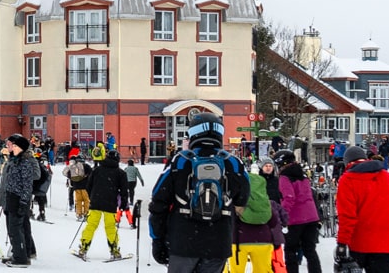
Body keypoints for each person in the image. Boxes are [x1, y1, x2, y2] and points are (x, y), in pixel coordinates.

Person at [150, 112, 251, 273]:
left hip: (182, 241)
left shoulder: (180, 161)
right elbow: (243, 198)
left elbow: (158, 202)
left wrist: (157, 239)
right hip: (218, 242)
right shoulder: (233, 163)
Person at [335, 145, 389, 273]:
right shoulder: (388, 177)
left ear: (347, 162)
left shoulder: (347, 180)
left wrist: (342, 243)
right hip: (385, 245)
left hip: (358, 243)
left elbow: (347, 216)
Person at [79, 149, 130, 260]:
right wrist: (123, 204)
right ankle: (114, 249)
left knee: (91, 225)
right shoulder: (121, 173)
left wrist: (92, 196)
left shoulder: (97, 170)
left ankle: (84, 247)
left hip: (96, 202)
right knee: (110, 227)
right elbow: (124, 191)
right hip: (110, 204)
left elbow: (88, 185)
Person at [230, 168, 284, 273]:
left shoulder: (236, 201)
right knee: (263, 271)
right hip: (264, 241)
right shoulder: (265, 202)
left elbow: (229, 221)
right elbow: (273, 222)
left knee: (236, 271)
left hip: (239, 242)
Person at [0, 134, 40, 267]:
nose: (10, 147)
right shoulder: (13, 160)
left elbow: (28, 183)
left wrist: (23, 201)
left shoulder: (25, 161)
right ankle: (18, 253)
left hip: (18, 198)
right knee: (13, 228)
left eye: (14, 145)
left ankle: (22, 255)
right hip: (10, 197)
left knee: (18, 228)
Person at [276, 151, 321, 273]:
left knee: (290, 250)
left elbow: (289, 197)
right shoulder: (303, 175)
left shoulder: (284, 177)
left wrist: (282, 216)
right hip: (311, 217)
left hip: (295, 219)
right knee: (310, 250)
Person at [68, 155, 93, 221]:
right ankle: (86, 214)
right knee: (86, 201)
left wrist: (72, 183)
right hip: (85, 187)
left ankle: (79, 214)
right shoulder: (87, 166)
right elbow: (91, 175)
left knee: (78, 201)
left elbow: (69, 175)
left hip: (76, 187)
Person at [34, 156, 54, 222]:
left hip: (37, 185)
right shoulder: (44, 166)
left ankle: (30, 211)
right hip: (43, 186)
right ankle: (42, 213)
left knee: (31, 197)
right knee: (41, 199)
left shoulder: (38, 165)